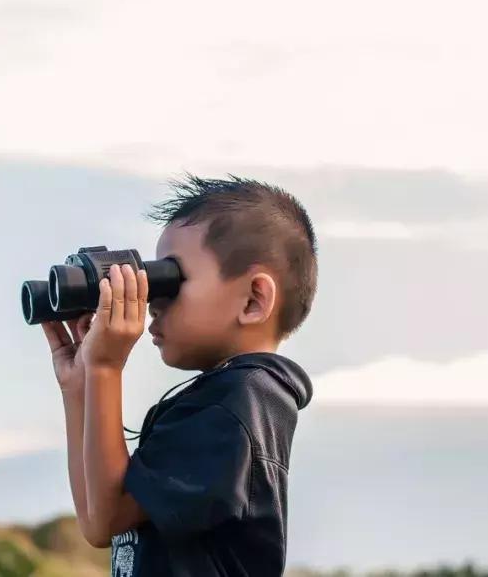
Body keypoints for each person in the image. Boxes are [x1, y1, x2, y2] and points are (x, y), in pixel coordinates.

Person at [42, 173, 317, 576]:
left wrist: (105, 367)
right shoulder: (225, 400)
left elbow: (107, 516)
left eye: (171, 278)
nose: (154, 302)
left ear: (254, 299)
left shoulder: (237, 404)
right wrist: (80, 386)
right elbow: (95, 520)